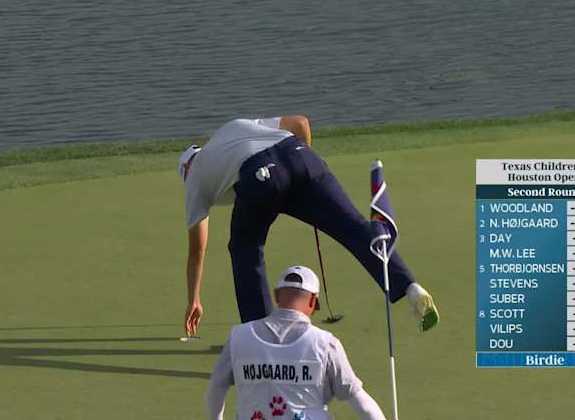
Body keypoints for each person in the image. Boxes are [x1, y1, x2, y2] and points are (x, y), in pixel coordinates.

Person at [180, 116, 438, 335]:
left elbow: (197, 250)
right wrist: (308, 176)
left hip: (260, 177)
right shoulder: (232, 128)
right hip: (302, 157)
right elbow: (301, 122)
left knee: (245, 250)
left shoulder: (193, 177)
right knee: (354, 227)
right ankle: (409, 286)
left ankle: (262, 340)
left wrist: (194, 299)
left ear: (186, 167)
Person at [206, 266, 387, 420]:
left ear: (277, 296)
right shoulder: (325, 344)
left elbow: (216, 387)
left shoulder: (239, 336)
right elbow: (360, 402)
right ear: (313, 300)